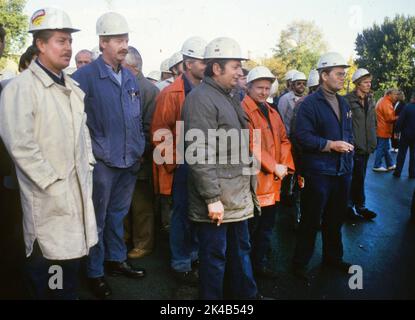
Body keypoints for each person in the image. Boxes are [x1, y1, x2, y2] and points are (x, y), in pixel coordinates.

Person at [0, 8, 98, 299]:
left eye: (69, 40)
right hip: (48, 203)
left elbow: (84, 138)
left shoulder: (71, 88)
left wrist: (88, 166)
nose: (67, 47)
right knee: (50, 277)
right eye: (59, 40)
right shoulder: (22, 89)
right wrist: (52, 183)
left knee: (67, 276)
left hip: (73, 201)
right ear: (40, 45)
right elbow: (20, 145)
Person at [182, 37, 264, 300]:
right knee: (215, 259)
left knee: (239, 252)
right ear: (216, 68)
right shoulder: (201, 100)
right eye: (235, 66)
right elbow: (198, 152)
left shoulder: (226, 97)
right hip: (219, 200)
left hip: (234, 196)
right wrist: (212, 198)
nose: (240, 72)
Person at [72, 12, 146, 299]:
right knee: (97, 220)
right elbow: (75, 123)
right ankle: (94, 272)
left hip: (128, 161)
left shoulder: (128, 77)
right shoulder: (85, 76)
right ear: (103, 42)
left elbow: (135, 117)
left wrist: (138, 148)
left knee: (118, 216)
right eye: (118, 40)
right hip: (102, 163)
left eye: (126, 40)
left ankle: (115, 260)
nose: (123, 45)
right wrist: (94, 153)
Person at [292, 52, 355, 280]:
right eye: (338, 74)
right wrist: (330, 145)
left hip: (341, 172)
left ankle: (332, 258)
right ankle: (300, 264)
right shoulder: (309, 104)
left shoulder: (344, 102)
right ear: (324, 75)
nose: (342, 78)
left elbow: (349, 134)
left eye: (343, 74)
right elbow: (301, 136)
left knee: (335, 219)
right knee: (310, 220)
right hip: (318, 173)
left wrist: (348, 155)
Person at [152, 36, 207, 285]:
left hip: (204, 164)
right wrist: (175, 164)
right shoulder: (170, 93)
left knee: (199, 213)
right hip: (183, 166)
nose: (206, 65)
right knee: (182, 215)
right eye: (200, 61)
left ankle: (193, 256)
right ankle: (180, 263)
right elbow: (159, 132)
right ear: (187, 63)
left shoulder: (207, 90)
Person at [241, 66, 294, 279]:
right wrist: (275, 166)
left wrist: (284, 165)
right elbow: (251, 145)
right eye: (259, 87)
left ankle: (258, 265)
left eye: (267, 88)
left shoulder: (272, 112)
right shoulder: (244, 110)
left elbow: (284, 139)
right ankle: (247, 273)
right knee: (251, 230)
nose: (264, 92)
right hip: (254, 182)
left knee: (266, 228)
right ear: (249, 87)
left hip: (272, 181)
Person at [122, 46, 160, 259]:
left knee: (141, 205)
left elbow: (150, 128)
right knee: (126, 204)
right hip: (127, 157)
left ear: (132, 67)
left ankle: (144, 244)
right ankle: (127, 238)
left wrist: (138, 151)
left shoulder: (148, 90)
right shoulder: (129, 85)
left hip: (141, 158)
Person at [345, 68, 377, 220]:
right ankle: (349, 207)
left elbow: (372, 122)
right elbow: (345, 125)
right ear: (357, 84)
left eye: (369, 82)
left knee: (360, 177)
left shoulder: (371, 99)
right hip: (353, 147)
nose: (368, 85)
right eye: (365, 82)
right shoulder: (347, 101)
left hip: (366, 147)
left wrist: (373, 141)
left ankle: (359, 206)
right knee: (352, 177)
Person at [373, 89, 399, 172]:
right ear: (390, 94)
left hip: (381, 128)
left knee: (386, 148)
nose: (397, 97)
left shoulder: (382, 100)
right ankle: (377, 165)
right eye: (395, 94)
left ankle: (390, 164)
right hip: (384, 129)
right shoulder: (387, 103)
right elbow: (390, 118)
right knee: (381, 148)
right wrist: (400, 117)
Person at [393, 91, 415, 179]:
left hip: (405, 134)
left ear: (413, 98)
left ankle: (397, 172)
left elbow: (400, 121)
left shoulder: (407, 107)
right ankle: (412, 173)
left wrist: (396, 131)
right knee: (414, 155)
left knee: (401, 154)